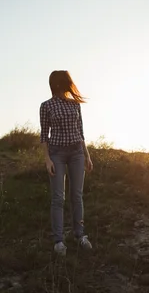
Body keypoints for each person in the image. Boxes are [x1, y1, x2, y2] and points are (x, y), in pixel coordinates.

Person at [39, 70, 94, 256]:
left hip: (77, 153)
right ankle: (59, 241)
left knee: (76, 196)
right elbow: (44, 135)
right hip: (57, 154)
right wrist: (47, 159)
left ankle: (80, 235)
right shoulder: (46, 106)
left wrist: (87, 155)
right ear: (59, 84)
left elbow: (81, 132)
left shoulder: (75, 105)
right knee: (58, 198)